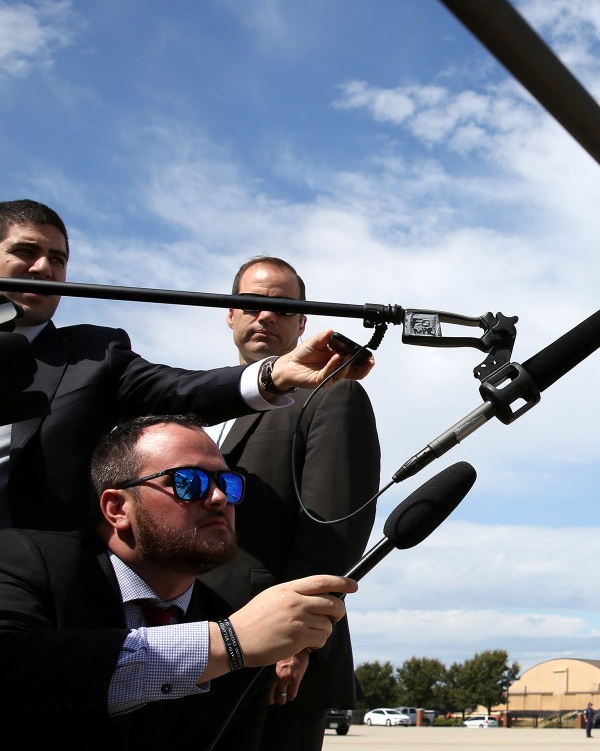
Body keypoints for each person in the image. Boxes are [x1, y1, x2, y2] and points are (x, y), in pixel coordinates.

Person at [0, 415, 354, 751]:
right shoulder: (27, 562)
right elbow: (15, 667)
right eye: (187, 482)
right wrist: (223, 646)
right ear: (118, 508)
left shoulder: (240, 633)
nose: (218, 498)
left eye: (228, 483)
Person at [0, 199, 374, 533]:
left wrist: (273, 375)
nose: (43, 268)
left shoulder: (94, 354)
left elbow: (179, 392)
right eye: (26, 251)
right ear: (230, 314)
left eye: (58, 259)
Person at [200, 256, 380, 751]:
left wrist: (298, 642)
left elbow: (334, 526)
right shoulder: (216, 413)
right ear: (229, 313)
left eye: (280, 306)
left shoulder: (330, 396)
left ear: (303, 321)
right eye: (249, 303)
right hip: (213, 656)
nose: (263, 315)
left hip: (278, 669)